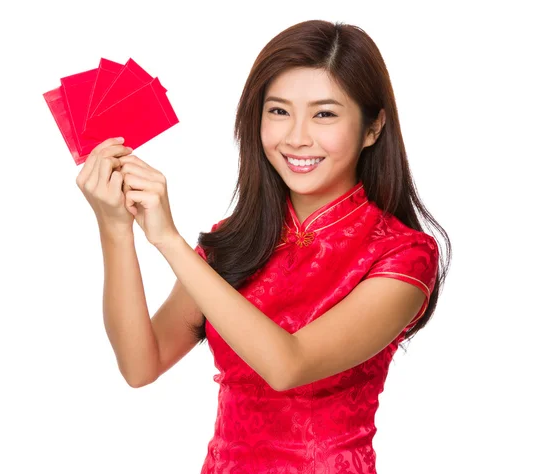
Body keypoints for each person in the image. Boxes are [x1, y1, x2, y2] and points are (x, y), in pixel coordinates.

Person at [76, 19, 451, 474]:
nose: (296, 137)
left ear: (373, 128)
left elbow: (288, 366)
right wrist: (116, 228)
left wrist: (167, 240)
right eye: (278, 111)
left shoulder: (403, 254)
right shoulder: (237, 239)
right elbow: (141, 364)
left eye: (324, 114)